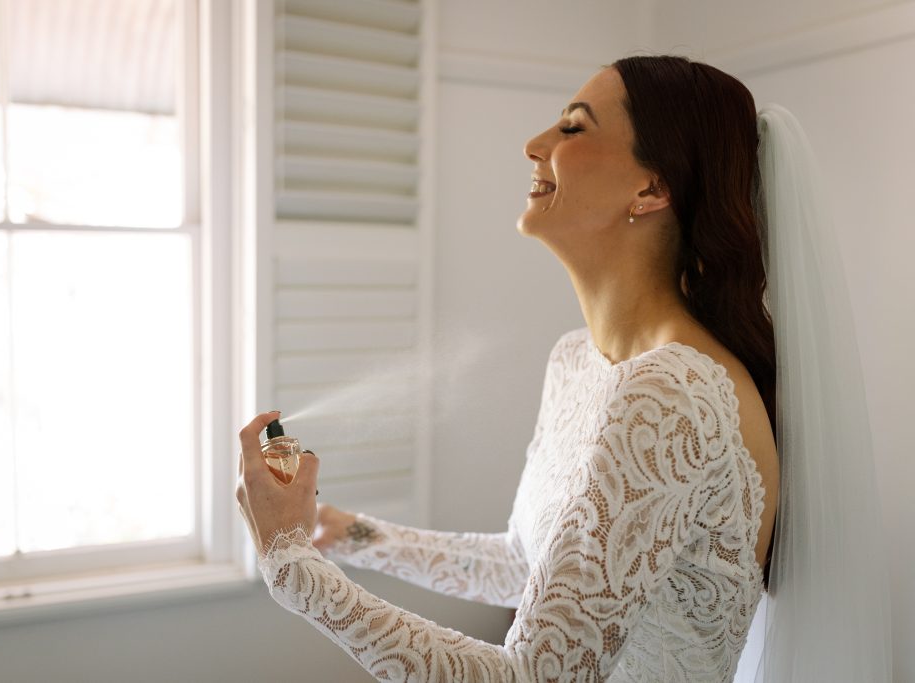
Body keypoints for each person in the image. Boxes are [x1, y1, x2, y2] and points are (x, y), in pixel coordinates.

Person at [236, 55, 893, 681]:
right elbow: (526, 564)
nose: (534, 142)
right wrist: (341, 531)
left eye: (573, 126)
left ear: (652, 187)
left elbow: (533, 676)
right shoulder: (577, 359)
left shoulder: (673, 394)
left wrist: (294, 572)